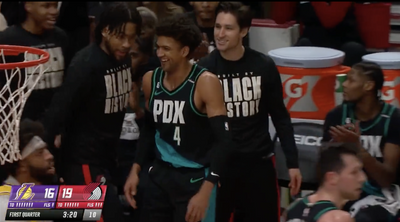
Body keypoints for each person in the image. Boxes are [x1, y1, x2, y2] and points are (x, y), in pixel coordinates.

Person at [197, 2, 301, 222]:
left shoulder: (263, 66)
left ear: (244, 31)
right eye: (217, 27)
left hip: (257, 165)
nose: (220, 34)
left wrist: (292, 163)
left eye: (228, 28)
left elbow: (280, 116)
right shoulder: (204, 69)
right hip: (220, 168)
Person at [124, 14, 233, 222]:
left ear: (184, 52)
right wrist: (135, 169)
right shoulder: (150, 80)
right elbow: (149, 130)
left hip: (195, 177)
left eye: (167, 49)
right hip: (160, 175)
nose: (160, 54)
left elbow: (224, 140)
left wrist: (206, 189)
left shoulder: (205, 83)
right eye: (159, 47)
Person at [44, 3, 142, 222]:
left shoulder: (123, 58)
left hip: (108, 158)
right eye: (120, 36)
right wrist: (50, 169)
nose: (126, 44)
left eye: (131, 37)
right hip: (83, 162)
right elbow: (57, 113)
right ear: (104, 30)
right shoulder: (85, 65)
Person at [322, 61, 400, 221]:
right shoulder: (336, 116)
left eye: (351, 80)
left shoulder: (393, 118)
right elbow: (324, 169)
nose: (344, 85)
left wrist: (357, 147)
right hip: (343, 191)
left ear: (368, 86)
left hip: (382, 194)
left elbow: (386, 179)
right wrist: (332, 148)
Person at [0, 1, 68, 123]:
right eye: (46, 6)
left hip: (53, 123)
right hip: (18, 125)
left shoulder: (61, 37)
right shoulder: (8, 40)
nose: (54, 11)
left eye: (55, 5)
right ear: (28, 6)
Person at [284, 143, 366, 222]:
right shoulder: (338, 218)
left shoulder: (293, 207)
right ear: (332, 177)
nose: (362, 178)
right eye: (354, 172)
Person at [0, 119, 56, 221]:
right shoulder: (5, 207)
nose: (49, 156)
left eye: (46, 150)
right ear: (22, 165)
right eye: (40, 153)